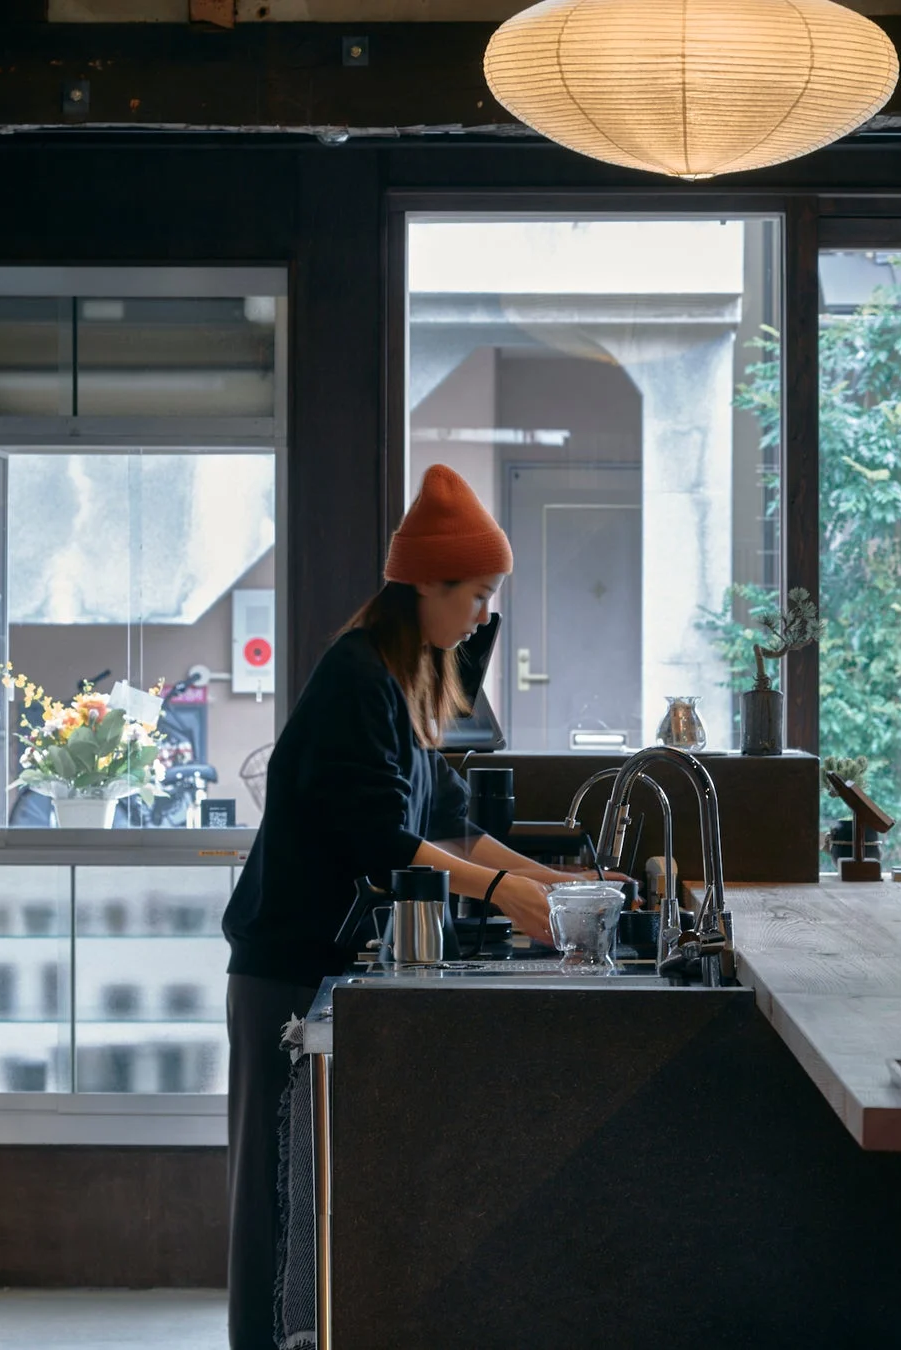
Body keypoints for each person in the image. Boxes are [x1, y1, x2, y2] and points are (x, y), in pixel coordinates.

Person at [222, 464, 583, 1350]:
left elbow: (450, 826)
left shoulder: (408, 680)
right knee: (275, 1203)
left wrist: (565, 888)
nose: (484, 616)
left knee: (307, 1200)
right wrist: (511, 894)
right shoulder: (357, 680)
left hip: (318, 970)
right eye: (477, 594)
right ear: (425, 584)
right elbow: (381, 840)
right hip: (284, 972)